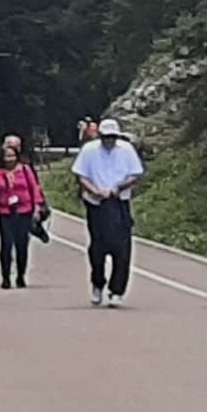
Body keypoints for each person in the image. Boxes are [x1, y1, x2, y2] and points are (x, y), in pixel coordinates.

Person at [71, 117, 144, 307]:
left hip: (119, 201)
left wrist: (119, 187)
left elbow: (135, 174)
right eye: (106, 137)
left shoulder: (126, 150)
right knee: (98, 247)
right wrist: (94, 190)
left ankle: (117, 290)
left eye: (113, 137)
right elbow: (81, 175)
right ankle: (98, 283)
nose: (110, 141)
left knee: (122, 248)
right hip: (97, 203)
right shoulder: (89, 151)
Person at [0, 134, 45, 287]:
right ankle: (5, 277)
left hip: (24, 211)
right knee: (6, 244)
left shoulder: (25, 170)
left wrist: (37, 207)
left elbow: (34, 188)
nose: (9, 159)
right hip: (6, 212)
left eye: (12, 156)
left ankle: (21, 275)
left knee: (21, 245)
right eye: (6, 156)